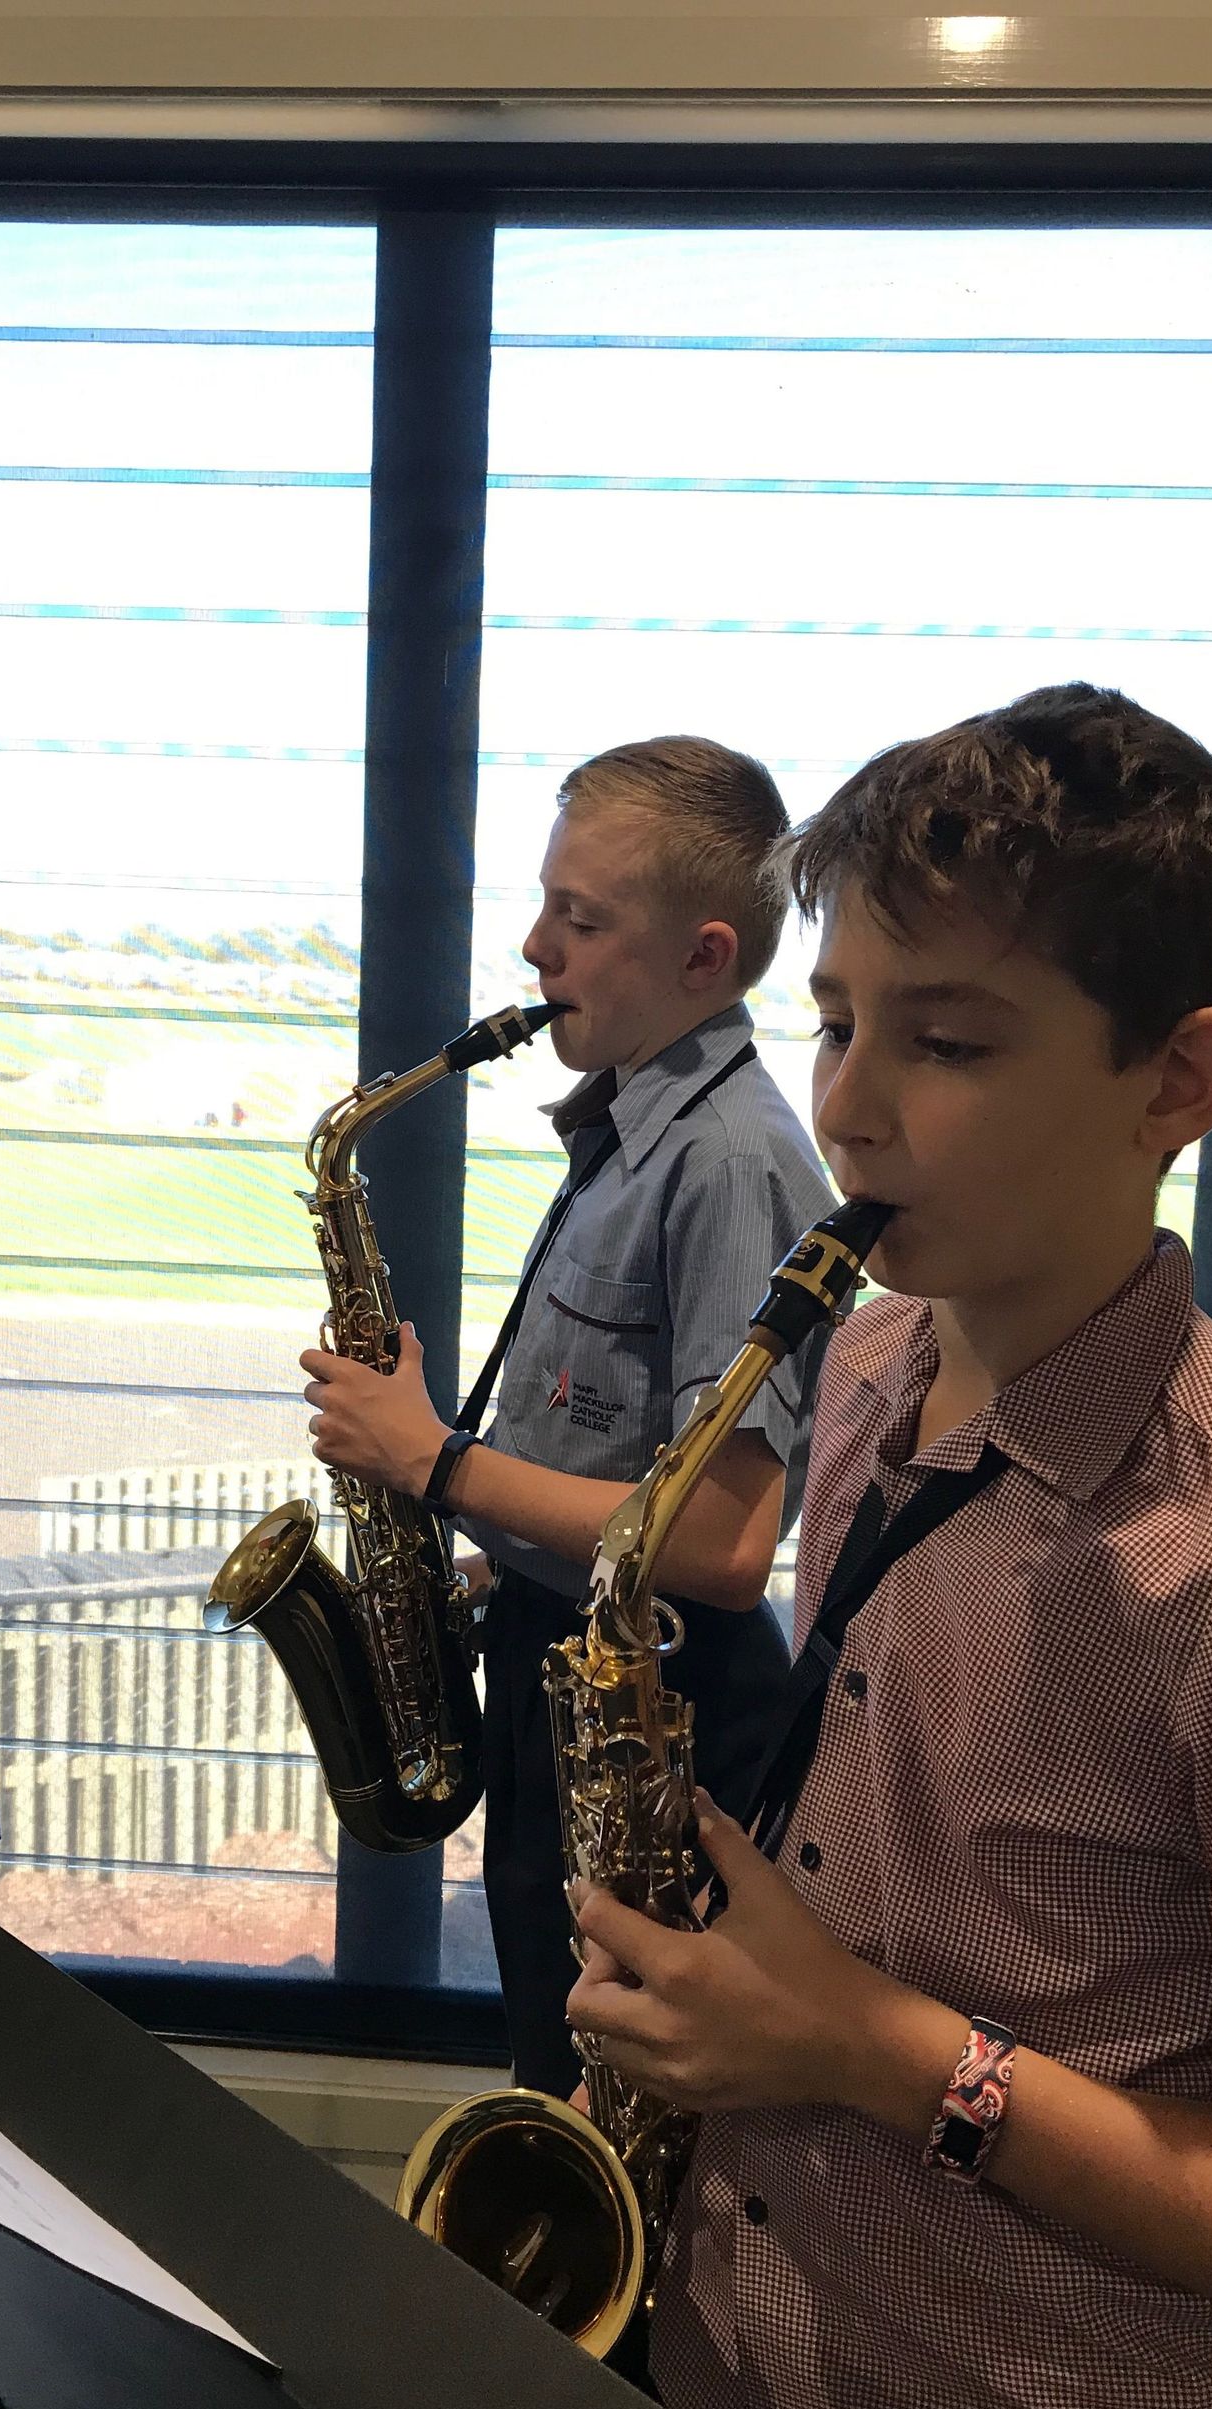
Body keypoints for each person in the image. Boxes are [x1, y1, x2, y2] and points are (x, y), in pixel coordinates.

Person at [566, 683, 1212, 2409]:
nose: (849, 1112)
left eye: (948, 1044)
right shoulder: (873, 1361)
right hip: (759, 2376)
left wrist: (879, 2053)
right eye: (834, 1024)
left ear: (1179, 1083)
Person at [300, 735, 834, 2094]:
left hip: (663, 1725)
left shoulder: (730, 1161)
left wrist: (436, 1463)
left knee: (609, 2109)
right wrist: (514, 1553)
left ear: (704, 958)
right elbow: (629, 1453)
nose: (535, 947)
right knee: (555, 2063)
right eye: (547, 906)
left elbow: (723, 1546)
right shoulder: (639, 1127)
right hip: (573, 1669)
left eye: (581, 920)